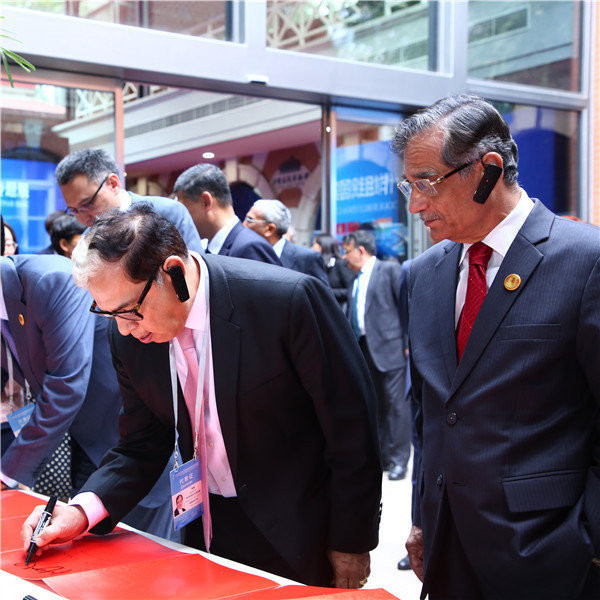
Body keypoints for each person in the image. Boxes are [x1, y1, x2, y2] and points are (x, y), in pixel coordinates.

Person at [21, 204, 382, 588]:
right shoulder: (128, 337)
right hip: (204, 526)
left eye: (129, 311)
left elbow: (351, 428)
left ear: (173, 272)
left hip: (298, 531)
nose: (124, 329)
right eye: (109, 314)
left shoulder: (286, 301)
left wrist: (352, 541)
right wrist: (80, 511)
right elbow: (142, 442)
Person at [393, 94, 600, 600]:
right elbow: (430, 414)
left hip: (552, 557)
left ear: (487, 170)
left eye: (427, 183)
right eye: (408, 186)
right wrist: (422, 517)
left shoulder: (586, 261)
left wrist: (587, 542)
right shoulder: (423, 274)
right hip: (446, 552)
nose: (415, 204)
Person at [342, 230, 411, 482]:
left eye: (347, 251)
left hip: (390, 349)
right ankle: (382, 455)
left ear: (361, 250)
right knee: (375, 405)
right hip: (364, 350)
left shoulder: (389, 270)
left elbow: (405, 306)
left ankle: (399, 460)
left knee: (396, 405)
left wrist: (407, 342)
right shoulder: (355, 280)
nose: (344, 257)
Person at [55, 149, 203, 253]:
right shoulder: (88, 240)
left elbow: (198, 274)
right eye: (74, 210)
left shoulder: (168, 213)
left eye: (87, 204)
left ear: (113, 184)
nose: (82, 218)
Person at [173, 164, 280, 264]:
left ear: (206, 202)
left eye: (183, 209)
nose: (181, 218)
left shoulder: (250, 248)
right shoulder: (208, 249)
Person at [244, 199, 330, 288]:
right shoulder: (245, 254)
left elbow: (321, 294)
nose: (244, 225)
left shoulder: (307, 258)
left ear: (270, 229)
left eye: (250, 220)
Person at [312, 233, 355, 308]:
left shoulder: (340, 265)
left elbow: (351, 290)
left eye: (314, 244)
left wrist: (326, 292)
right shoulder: (317, 266)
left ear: (324, 246)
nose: (311, 248)